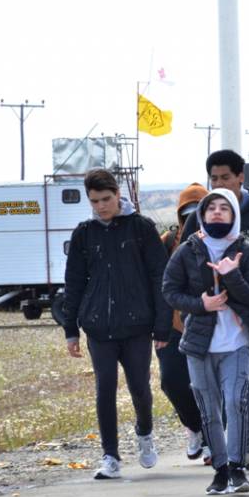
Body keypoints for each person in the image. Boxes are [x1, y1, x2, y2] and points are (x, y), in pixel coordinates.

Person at [180, 150, 249, 471]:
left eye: (225, 177)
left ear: (241, 177)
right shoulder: (198, 218)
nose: (219, 183)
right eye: (214, 178)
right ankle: (229, 443)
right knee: (222, 383)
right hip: (213, 314)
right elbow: (183, 265)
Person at [62, 169, 171, 480]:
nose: (101, 206)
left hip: (137, 325)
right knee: (104, 388)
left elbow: (158, 276)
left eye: (106, 199)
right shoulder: (84, 233)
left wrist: (162, 327)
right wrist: (71, 329)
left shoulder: (141, 228)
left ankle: (145, 433)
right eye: (95, 201)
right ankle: (110, 455)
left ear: (117, 194)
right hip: (98, 326)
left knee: (139, 387)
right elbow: (74, 283)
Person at [162, 189, 249, 495]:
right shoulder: (188, 249)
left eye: (225, 207)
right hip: (199, 344)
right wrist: (201, 304)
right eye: (212, 208)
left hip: (237, 342)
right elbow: (170, 291)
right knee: (208, 408)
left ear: (234, 213)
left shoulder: (246, 251)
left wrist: (232, 276)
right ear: (202, 214)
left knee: (235, 402)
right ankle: (220, 470)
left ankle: (237, 469)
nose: (218, 212)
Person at [158, 183, 211, 462]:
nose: (191, 216)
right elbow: (157, 281)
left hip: (207, 323)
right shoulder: (168, 241)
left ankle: (214, 437)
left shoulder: (218, 238)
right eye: (186, 211)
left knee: (207, 385)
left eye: (197, 210)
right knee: (172, 381)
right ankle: (193, 426)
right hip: (173, 325)